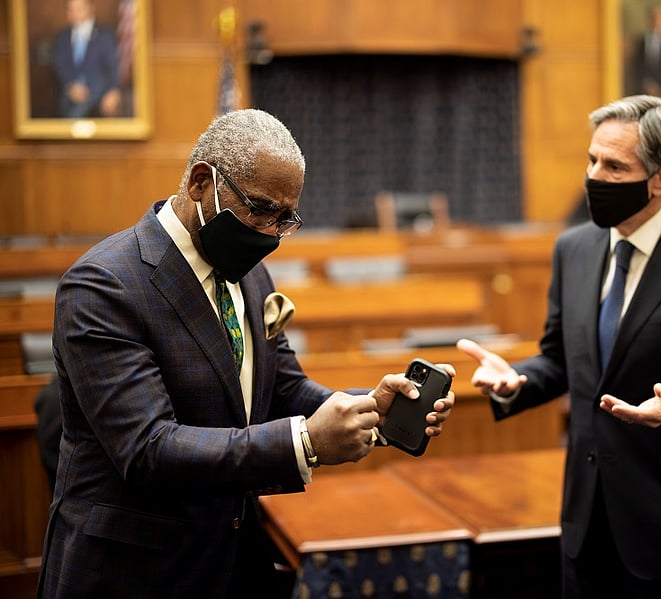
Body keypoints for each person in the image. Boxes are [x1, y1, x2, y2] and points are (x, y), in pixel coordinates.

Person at [37, 108, 456, 599]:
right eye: (259, 209)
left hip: (233, 560)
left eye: (287, 219)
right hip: (134, 570)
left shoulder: (249, 272)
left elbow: (280, 386)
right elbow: (148, 448)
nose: (270, 234)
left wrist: (367, 407)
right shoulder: (105, 285)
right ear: (200, 183)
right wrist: (304, 442)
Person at [457, 95, 661, 598]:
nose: (595, 177)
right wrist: (516, 380)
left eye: (614, 166)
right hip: (588, 521)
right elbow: (564, 359)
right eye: (592, 160)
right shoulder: (575, 248)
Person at [52, 0, 122, 118]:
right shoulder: (62, 37)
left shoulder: (104, 36)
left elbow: (114, 67)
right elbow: (60, 65)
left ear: (91, 8)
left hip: (100, 94)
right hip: (70, 93)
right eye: (71, 10)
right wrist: (70, 86)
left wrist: (113, 90)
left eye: (79, 9)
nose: (74, 14)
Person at [625, 5, 661, 106]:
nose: (660, 22)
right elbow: (636, 69)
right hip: (644, 94)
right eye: (657, 18)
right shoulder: (640, 43)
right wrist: (647, 84)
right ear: (650, 20)